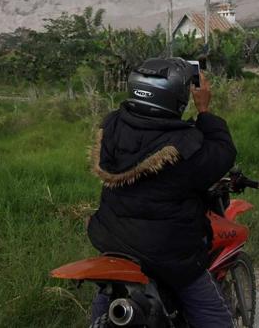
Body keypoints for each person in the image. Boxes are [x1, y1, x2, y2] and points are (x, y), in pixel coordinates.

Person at [86, 57, 237, 327]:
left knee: (105, 303)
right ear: (176, 98)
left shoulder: (110, 126)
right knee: (216, 318)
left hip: (112, 242)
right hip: (166, 253)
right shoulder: (185, 146)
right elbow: (222, 155)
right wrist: (204, 110)